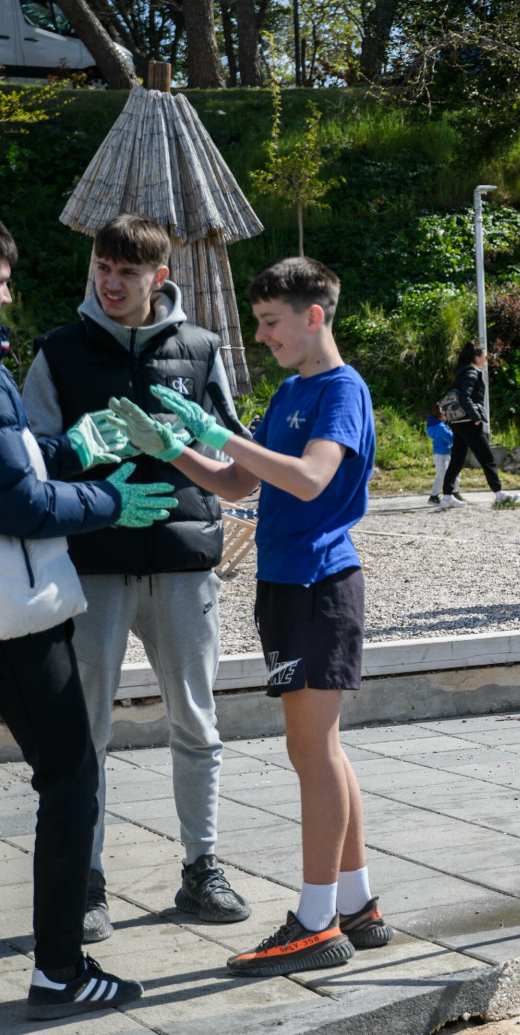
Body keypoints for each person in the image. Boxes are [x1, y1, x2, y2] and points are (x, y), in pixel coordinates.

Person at [112, 257, 389, 976]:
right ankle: (356, 904)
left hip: (320, 585)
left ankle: (315, 922)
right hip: (287, 584)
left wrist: (217, 430)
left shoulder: (341, 389)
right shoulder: (291, 392)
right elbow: (240, 482)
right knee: (323, 751)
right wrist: (176, 448)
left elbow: (310, 479)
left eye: (270, 322)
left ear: (314, 316)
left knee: (311, 753)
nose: (261, 336)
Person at [22, 214, 252, 944]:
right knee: (85, 731)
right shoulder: (57, 351)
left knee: (197, 722)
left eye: (127, 272)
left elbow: (236, 456)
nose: (111, 283)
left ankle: (202, 867)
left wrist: (190, 441)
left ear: (160, 277)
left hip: (184, 563)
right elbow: (27, 463)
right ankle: (87, 880)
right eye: (102, 267)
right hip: (91, 564)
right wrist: (81, 459)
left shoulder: (202, 349)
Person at [0, 220, 161, 1017]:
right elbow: (18, 504)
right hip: (17, 623)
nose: (6, 295)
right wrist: (107, 500)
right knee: (70, 781)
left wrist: (69, 448)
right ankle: (59, 973)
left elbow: (15, 462)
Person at [440, 343, 510, 507]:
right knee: (487, 458)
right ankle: (499, 494)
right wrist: (476, 417)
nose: (486, 360)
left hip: (458, 422)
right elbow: (465, 397)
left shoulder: (462, 372)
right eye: (485, 357)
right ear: (477, 358)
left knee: (457, 459)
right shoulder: (471, 373)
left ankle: (447, 496)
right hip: (469, 422)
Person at [425, 411, 453, 507]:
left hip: (442, 453)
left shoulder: (436, 426)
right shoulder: (441, 427)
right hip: (442, 454)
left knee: (451, 474)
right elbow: (450, 438)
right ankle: (434, 496)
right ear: (441, 415)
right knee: (442, 476)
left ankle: (452, 493)